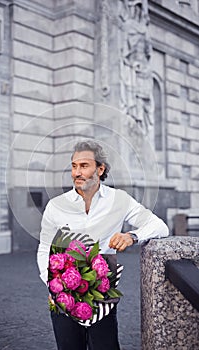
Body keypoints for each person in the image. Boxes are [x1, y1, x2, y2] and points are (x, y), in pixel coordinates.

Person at [37, 140, 169, 350]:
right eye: (74, 166)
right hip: (63, 297)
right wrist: (53, 285)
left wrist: (132, 236)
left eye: (84, 166)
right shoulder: (56, 206)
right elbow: (44, 247)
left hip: (102, 297)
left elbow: (160, 226)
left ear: (100, 169)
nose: (76, 172)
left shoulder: (119, 200)